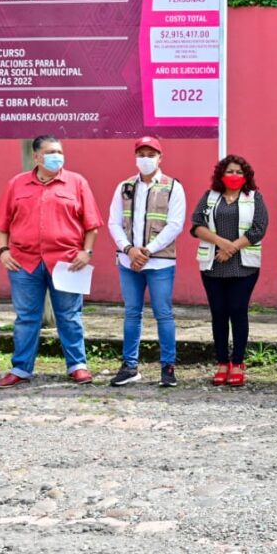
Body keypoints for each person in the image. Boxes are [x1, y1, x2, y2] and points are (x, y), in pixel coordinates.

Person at [0, 135, 103, 388]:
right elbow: (2, 224)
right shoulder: (17, 184)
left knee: (70, 316)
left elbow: (92, 224)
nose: (57, 157)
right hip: (23, 262)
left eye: (59, 152)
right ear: (36, 156)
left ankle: (77, 366)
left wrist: (86, 252)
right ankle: (21, 369)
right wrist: (3, 251)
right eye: (51, 152)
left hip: (67, 262)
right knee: (26, 317)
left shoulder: (77, 182)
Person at [106, 136, 186, 388]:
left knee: (164, 314)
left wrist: (147, 251)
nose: (146, 159)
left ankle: (168, 367)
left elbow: (175, 225)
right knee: (132, 314)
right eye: (141, 154)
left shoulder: (173, 187)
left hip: (159, 262)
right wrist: (129, 250)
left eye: (151, 155)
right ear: (135, 158)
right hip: (128, 262)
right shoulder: (124, 187)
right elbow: (114, 222)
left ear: (160, 158)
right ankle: (130, 366)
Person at [191, 155, 267, 387]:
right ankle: (222, 362)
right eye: (230, 171)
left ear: (246, 176)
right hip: (213, 265)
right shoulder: (210, 197)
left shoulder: (254, 197)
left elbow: (259, 228)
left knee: (238, 311)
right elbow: (196, 225)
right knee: (219, 313)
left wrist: (231, 248)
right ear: (221, 174)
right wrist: (221, 243)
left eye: (239, 172)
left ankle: (238, 363)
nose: (234, 176)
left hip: (243, 266)